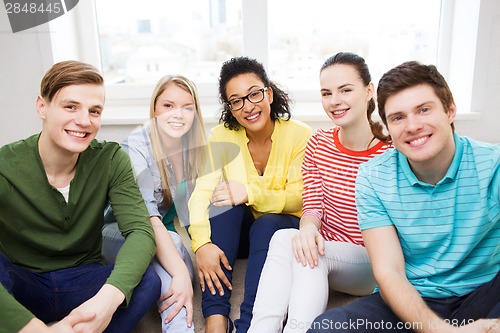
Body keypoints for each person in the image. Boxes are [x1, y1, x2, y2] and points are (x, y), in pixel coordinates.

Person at [308, 61, 499, 333]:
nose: (412, 126)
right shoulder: (373, 176)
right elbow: (389, 272)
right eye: (398, 117)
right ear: (387, 126)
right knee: (328, 327)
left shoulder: (493, 164)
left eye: (423, 110)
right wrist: (441, 331)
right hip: (412, 297)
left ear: (450, 110)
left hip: (485, 292)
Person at [0, 60, 161, 333]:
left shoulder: (111, 159)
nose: (84, 121)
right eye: (70, 106)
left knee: (148, 280)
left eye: (94, 111)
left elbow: (140, 232)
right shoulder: (5, 164)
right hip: (22, 281)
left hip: (82, 280)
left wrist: (106, 300)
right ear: (42, 106)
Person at [248, 52, 390, 333]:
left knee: (313, 254)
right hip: (327, 249)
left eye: (345, 90)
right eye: (326, 93)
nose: (334, 101)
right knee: (285, 237)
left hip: (369, 262)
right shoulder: (319, 143)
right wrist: (308, 228)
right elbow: (313, 203)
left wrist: (312, 241)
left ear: (369, 90)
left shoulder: (390, 152)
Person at [188, 56, 312, 333]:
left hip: (283, 232)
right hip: (244, 235)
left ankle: (248, 324)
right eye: (237, 100)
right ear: (230, 108)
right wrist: (201, 244)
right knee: (223, 204)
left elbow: (300, 197)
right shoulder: (221, 135)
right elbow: (201, 193)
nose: (248, 106)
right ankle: (216, 320)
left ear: (268, 93)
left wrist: (249, 192)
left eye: (254, 94)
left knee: (268, 221)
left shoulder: (300, 135)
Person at [102, 75, 206, 332]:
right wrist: (182, 272)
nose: (177, 114)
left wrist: (204, 248)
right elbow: (148, 220)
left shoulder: (193, 147)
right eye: (168, 105)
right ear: (154, 109)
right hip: (119, 233)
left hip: (163, 236)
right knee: (174, 249)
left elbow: (195, 211)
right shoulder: (136, 148)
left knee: (169, 266)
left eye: (187, 107)